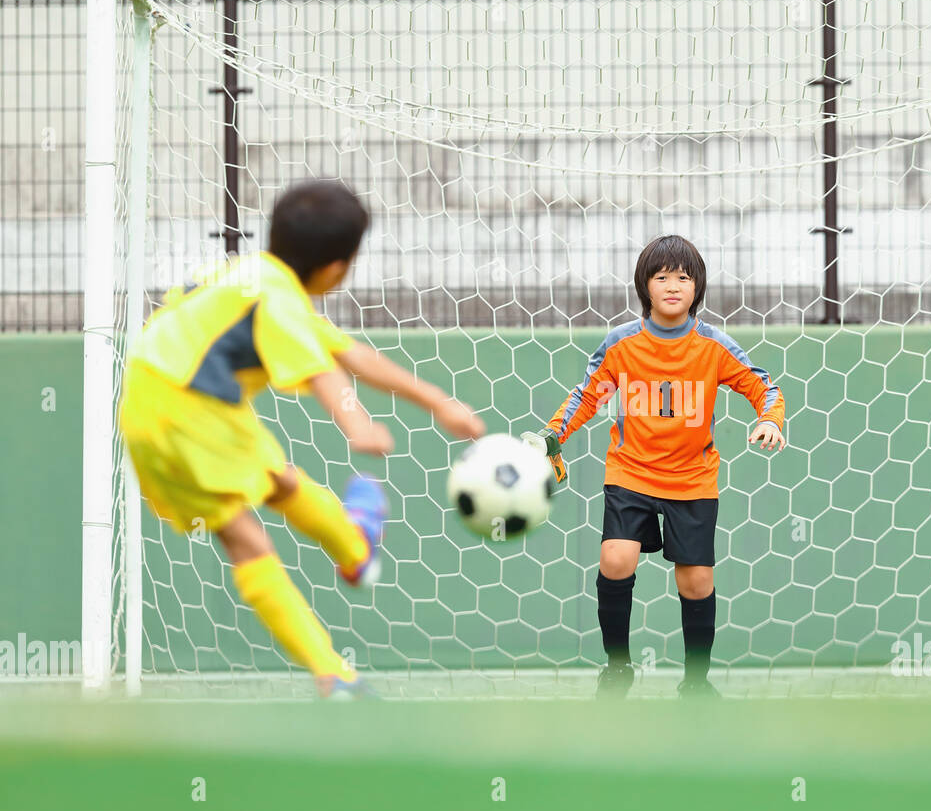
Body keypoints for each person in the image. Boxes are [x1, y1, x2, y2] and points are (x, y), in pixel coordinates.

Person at [118, 179, 484, 698]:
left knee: (255, 522)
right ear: (337, 267)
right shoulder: (278, 297)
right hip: (194, 406)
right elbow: (325, 373)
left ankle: (333, 663)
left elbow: (348, 353)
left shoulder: (247, 275)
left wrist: (440, 403)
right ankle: (354, 552)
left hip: (142, 408)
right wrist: (356, 422)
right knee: (274, 492)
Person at [526, 234, 785, 699]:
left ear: (697, 288)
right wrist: (552, 436)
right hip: (632, 472)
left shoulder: (713, 345)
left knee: (696, 578)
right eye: (661, 276)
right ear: (645, 286)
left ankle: (696, 683)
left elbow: (762, 385)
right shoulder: (622, 344)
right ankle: (618, 667)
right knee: (616, 558)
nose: (672, 285)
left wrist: (769, 418)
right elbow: (587, 396)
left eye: (683, 278)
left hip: (693, 478)